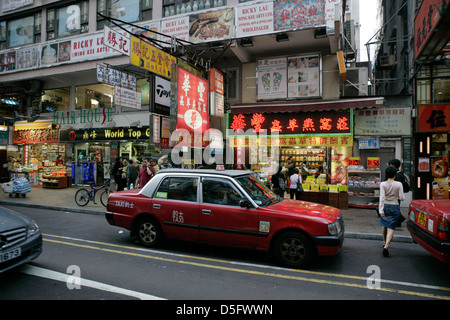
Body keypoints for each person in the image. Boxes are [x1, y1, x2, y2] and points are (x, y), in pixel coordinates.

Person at [379, 166, 405, 257]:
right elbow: (402, 197)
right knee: (391, 226)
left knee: (384, 224)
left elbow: (381, 198)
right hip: (395, 206)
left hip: (385, 205)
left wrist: (381, 209)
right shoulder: (398, 184)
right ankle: (386, 246)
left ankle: (384, 241)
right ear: (395, 175)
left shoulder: (383, 184)